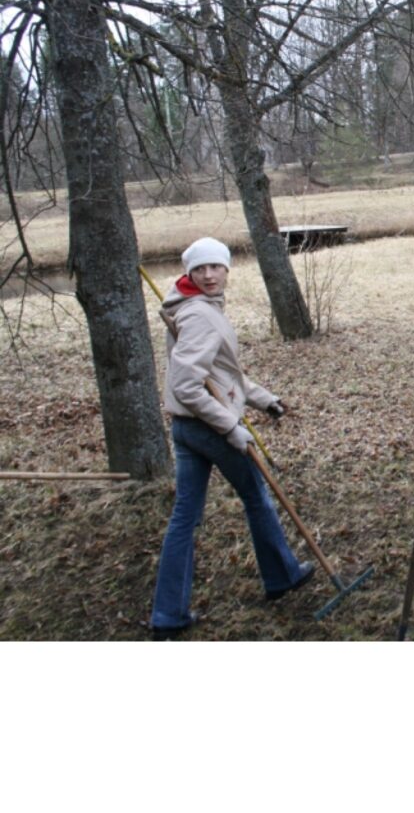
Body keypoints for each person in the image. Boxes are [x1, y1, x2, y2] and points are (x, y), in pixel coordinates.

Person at [149, 237, 314, 640]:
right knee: (256, 496)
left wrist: (263, 399)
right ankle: (282, 576)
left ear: (227, 269)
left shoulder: (192, 306)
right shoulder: (201, 315)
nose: (209, 275)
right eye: (200, 269)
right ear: (189, 272)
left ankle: (168, 614)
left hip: (186, 427)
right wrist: (228, 426)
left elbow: (222, 375)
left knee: (185, 517)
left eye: (215, 267)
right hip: (208, 427)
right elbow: (187, 386)